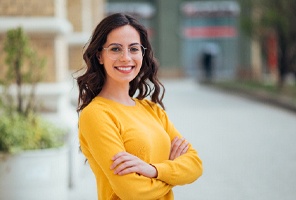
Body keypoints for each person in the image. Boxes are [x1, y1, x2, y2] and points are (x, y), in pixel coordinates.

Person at [76, 13, 203, 200]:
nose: (126, 58)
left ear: (142, 54)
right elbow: (132, 191)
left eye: (133, 49)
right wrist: (172, 173)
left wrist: (152, 170)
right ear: (100, 56)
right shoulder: (96, 114)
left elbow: (195, 165)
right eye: (115, 49)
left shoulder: (153, 110)